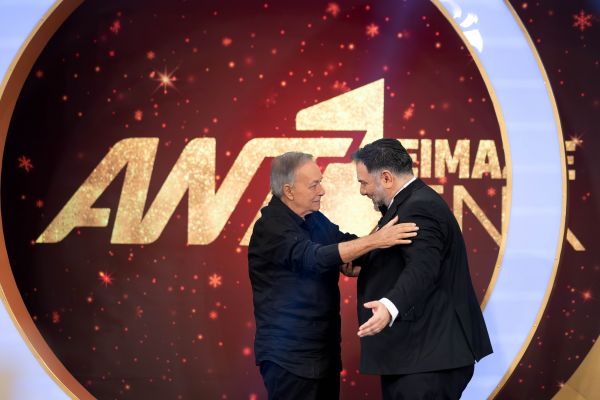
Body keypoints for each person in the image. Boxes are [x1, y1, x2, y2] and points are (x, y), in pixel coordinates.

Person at [248, 152, 418, 400]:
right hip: (289, 359)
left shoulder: (314, 218)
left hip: (323, 355)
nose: (322, 191)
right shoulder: (270, 228)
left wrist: (384, 227)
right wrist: (376, 241)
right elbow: (314, 257)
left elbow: (346, 246)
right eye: (314, 185)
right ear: (289, 191)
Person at [351, 138, 493, 399]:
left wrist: (390, 306)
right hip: (417, 357)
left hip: (428, 359)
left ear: (386, 178)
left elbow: (423, 267)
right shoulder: (409, 203)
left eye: (364, 182)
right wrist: (363, 261)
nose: (362, 191)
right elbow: (401, 257)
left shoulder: (418, 207)